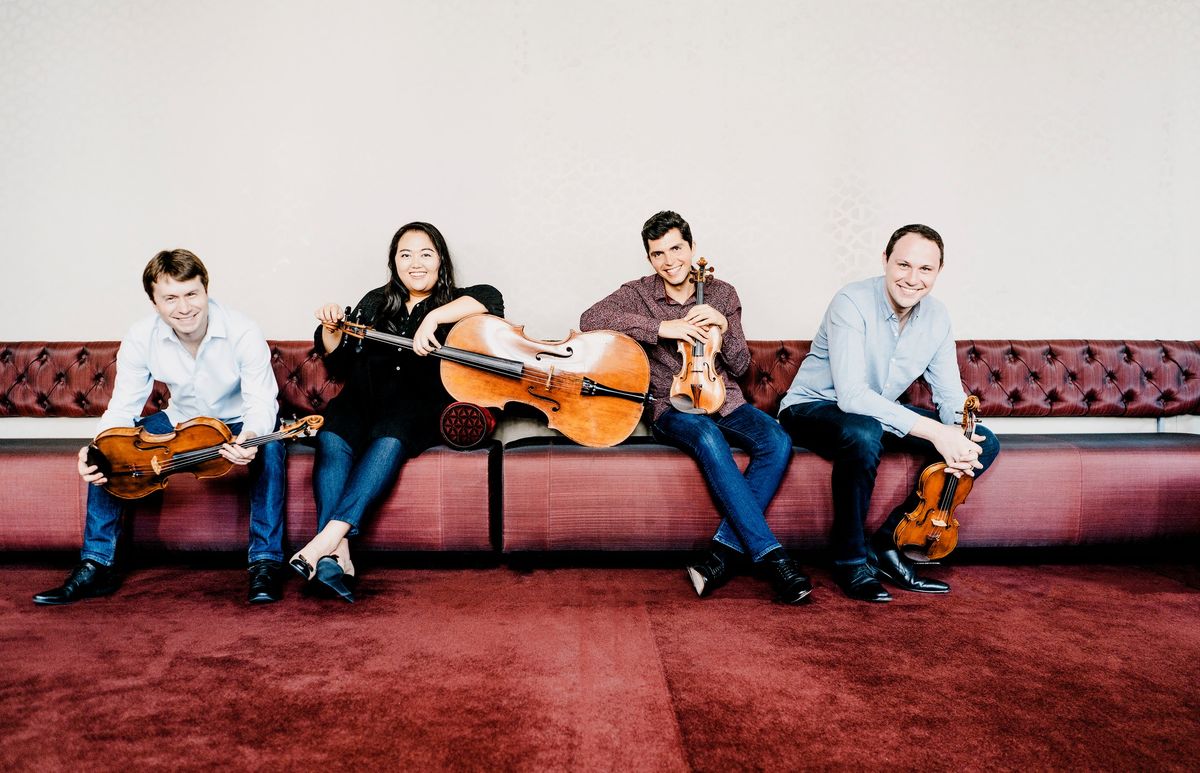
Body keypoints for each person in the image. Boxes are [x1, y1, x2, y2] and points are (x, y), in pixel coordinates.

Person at [580, 210, 810, 604]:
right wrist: (661, 328)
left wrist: (723, 323)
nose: (670, 261)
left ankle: (720, 556)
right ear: (649, 259)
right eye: (658, 254)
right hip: (672, 405)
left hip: (725, 399)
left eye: (676, 249)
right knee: (705, 435)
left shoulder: (722, 293)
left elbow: (738, 365)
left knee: (776, 439)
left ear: (691, 247)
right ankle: (774, 558)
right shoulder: (637, 294)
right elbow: (590, 319)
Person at [33, 250, 287, 605]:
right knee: (110, 450)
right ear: (154, 302)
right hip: (181, 418)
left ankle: (266, 563)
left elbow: (261, 401)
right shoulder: (141, 336)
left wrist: (250, 438)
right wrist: (96, 448)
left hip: (240, 418)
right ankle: (97, 564)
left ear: (206, 290)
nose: (184, 308)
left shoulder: (242, 329)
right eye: (170, 298)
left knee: (270, 444)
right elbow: (123, 407)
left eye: (191, 294)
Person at [778, 224, 1001, 602]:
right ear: (885, 260)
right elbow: (851, 396)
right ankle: (849, 560)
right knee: (863, 431)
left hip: (876, 414)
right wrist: (934, 431)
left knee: (985, 443)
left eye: (925, 270)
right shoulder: (851, 301)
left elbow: (949, 396)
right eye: (903, 265)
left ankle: (888, 543)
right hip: (811, 408)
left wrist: (960, 431)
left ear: (938, 271)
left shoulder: (937, 318)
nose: (912, 279)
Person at [290, 222, 503, 602]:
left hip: (417, 404)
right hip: (363, 398)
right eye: (405, 255)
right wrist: (330, 326)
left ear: (441, 260)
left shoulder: (455, 300)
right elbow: (338, 359)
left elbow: (492, 298)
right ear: (394, 262)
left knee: (390, 436)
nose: (415, 263)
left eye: (425, 254)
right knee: (332, 435)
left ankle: (325, 539)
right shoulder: (376, 300)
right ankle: (336, 555)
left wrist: (433, 319)